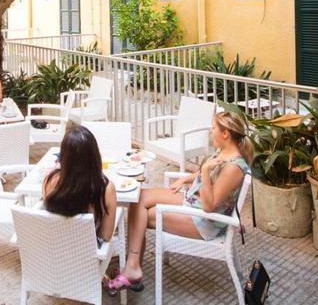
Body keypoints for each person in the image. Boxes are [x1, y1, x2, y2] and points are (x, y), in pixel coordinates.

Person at [107, 111, 252, 293]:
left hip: (203, 221)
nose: (210, 131)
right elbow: (205, 176)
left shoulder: (234, 168)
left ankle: (132, 269)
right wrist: (184, 180)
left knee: (142, 215)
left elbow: (209, 205)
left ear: (226, 134)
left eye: (213, 128)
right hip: (192, 202)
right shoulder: (224, 151)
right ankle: (133, 264)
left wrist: (205, 171)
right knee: (139, 198)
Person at [42, 125, 118, 245]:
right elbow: (106, 235)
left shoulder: (50, 180)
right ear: (94, 156)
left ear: (64, 157)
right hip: (86, 255)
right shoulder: (106, 189)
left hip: (53, 249)